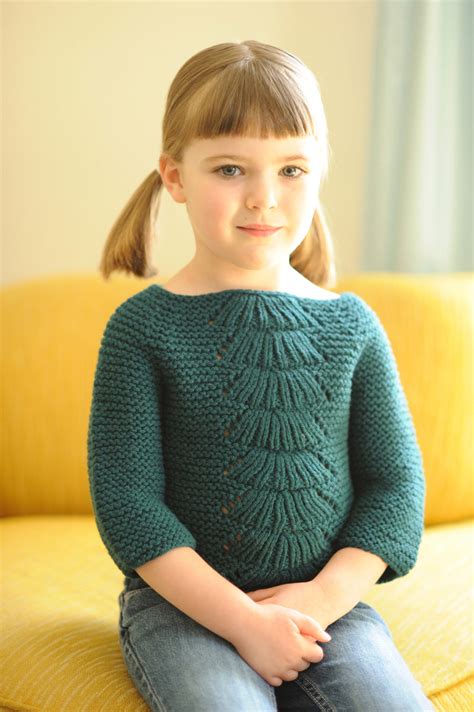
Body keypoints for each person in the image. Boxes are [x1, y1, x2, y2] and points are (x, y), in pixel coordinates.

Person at [87, 39, 435, 712]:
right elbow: (129, 505)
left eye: (292, 169)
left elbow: (395, 487)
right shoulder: (142, 329)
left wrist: (320, 600)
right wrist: (245, 622)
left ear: (319, 171)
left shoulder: (352, 326)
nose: (263, 198)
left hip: (327, 610)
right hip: (183, 611)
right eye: (230, 169)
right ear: (175, 177)